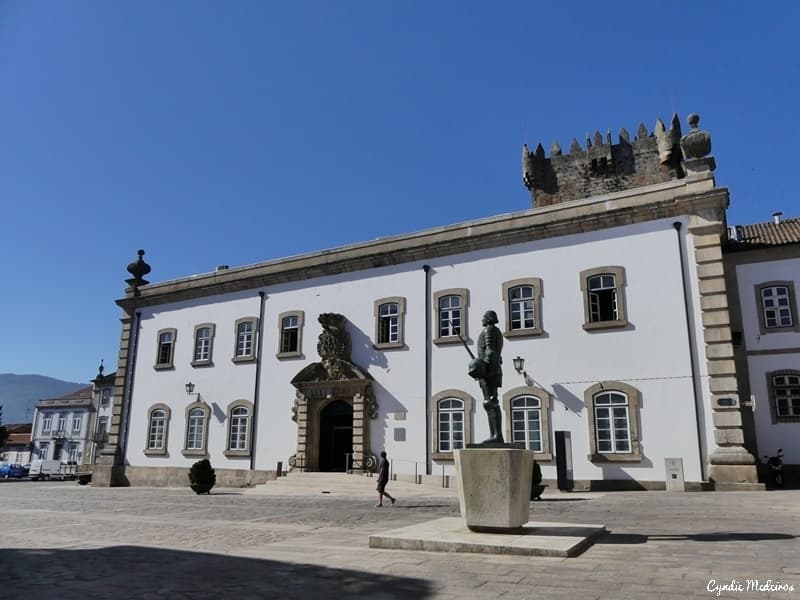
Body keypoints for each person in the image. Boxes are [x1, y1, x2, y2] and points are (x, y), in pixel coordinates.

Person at [475, 310, 504, 444]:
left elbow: (490, 351)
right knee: (491, 402)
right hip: (493, 369)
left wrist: (484, 368)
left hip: (489, 370)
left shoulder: (489, 330)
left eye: (484, 317)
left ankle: (496, 436)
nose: (482, 319)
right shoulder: (494, 330)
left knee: (490, 403)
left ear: (489, 319)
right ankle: (495, 435)